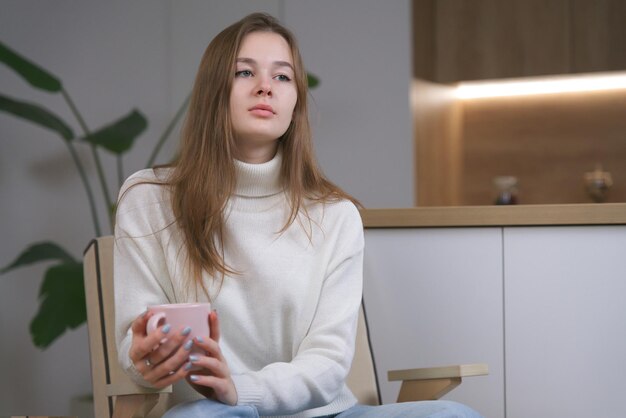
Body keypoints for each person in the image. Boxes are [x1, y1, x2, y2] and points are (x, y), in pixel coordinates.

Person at [114, 12, 484, 418]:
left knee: (453, 415)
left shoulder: (335, 215)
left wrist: (243, 388)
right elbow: (138, 351)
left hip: (325, 414)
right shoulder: (150, 198)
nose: (264, 88)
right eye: (243, 72)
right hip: (214, 412)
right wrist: (147, 358)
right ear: (212, 90)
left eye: (282, 77)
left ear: (296, 102)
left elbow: (326, 364)